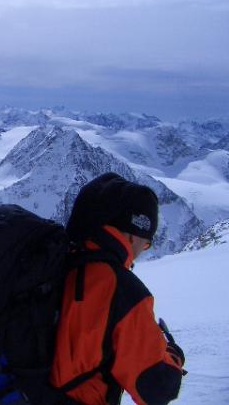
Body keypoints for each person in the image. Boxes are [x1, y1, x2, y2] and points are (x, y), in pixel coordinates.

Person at [50, 173, 186, 404]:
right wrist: (173, 356)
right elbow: (156, 388)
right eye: (147, 242)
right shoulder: (123, 290)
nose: (143, 249)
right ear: (132, 235)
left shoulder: (55, 262)